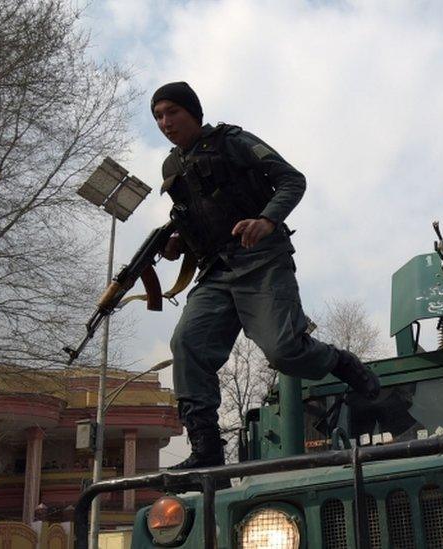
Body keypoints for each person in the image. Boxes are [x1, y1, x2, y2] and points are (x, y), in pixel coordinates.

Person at [151, 82, 379, 469]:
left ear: (193, 112)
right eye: (158, 116)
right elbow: (197, 224)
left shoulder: (232, 141)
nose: (165, 122)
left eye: (172, 111)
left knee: (284, 351)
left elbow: (292, 179)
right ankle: (207, 453)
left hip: (262, 261)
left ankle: (341, 362)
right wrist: (178, 246)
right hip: (216, 272)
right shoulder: (171, 167)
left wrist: (267, 220)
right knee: (187, 344)